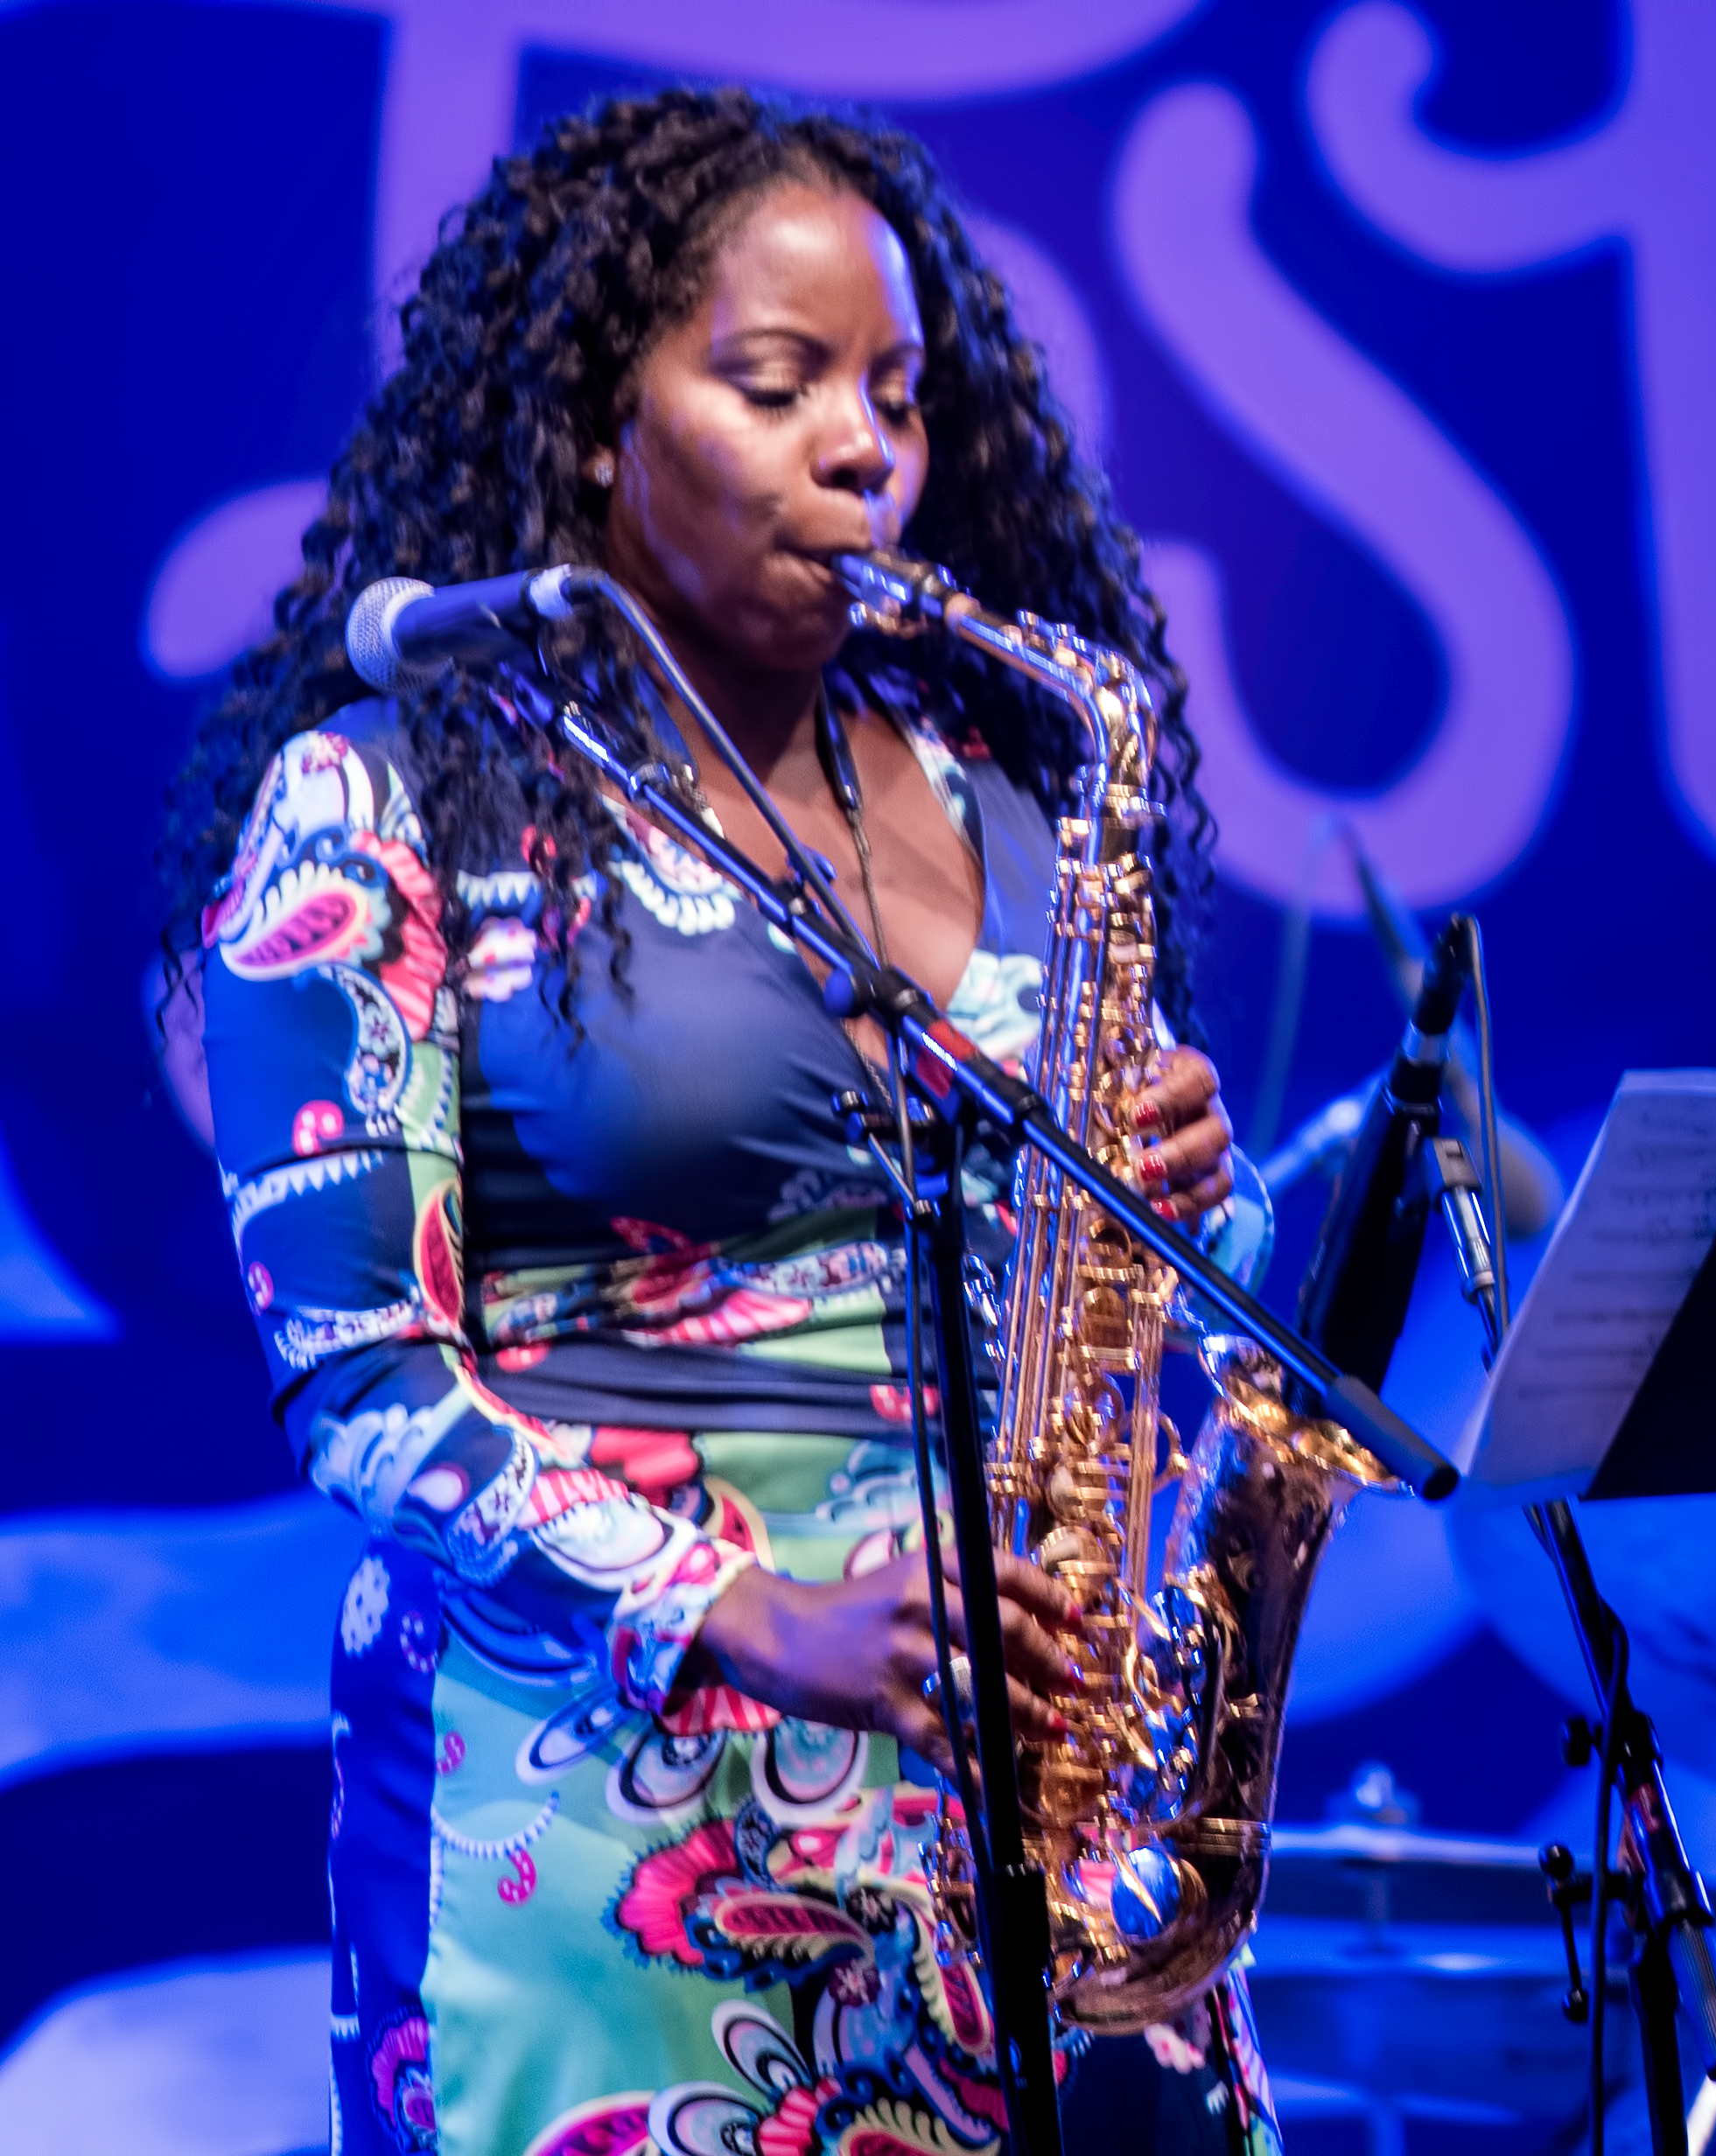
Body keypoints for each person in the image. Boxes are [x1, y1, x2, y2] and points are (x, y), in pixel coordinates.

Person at [165, 88, 1280, 2156]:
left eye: (896, 394)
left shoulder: (1005, 794)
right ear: (603, 421)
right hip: (602, 1847)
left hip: (1015, 1849)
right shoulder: (379, 797)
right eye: (776, 387)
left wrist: (1170, 1215)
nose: (866, 447)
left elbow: (1111, 1349)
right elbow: (362, 1390)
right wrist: (753, 1610)